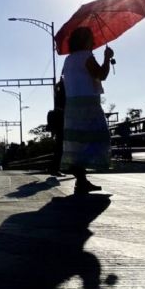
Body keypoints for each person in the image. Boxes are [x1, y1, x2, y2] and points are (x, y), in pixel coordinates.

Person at [60, 27, 113, 195]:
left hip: (72, 105)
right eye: (91, 38)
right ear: (85, 41)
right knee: (97, 138)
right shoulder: (86, 57)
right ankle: (81, 178)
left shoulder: (68, 59)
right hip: (88, 104)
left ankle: (81, 180)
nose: (94, 41)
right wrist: (106, 58)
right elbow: (101, 75)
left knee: (78, 142)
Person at [47, 77, 66, 177]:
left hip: (59, 120)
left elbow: (55, 88)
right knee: (61, 146)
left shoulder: (58, 93)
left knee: (59, 146)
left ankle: (54, 167)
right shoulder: (66, 93)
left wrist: (59, 83)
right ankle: (55, 168)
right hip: (62, 120)